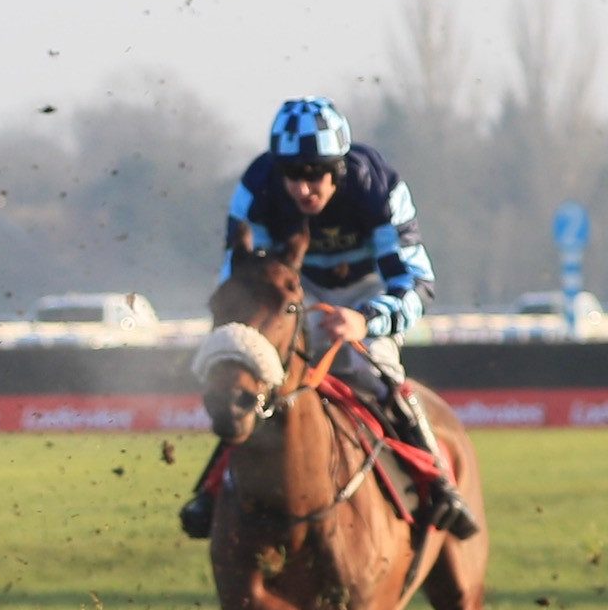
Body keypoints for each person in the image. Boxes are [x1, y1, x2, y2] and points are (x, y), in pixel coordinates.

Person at [179, 96, 480, 540]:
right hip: (295, 290)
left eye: (315, 174)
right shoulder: (257, 188)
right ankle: (212, 487)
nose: (303, 188)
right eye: (292, 175)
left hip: (368, 289)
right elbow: (237, 280)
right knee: (257, 376)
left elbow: (416, 283)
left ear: (337, 170)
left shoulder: (376, 187)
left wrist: (366, 320)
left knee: (377, 368)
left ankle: (439, 482)